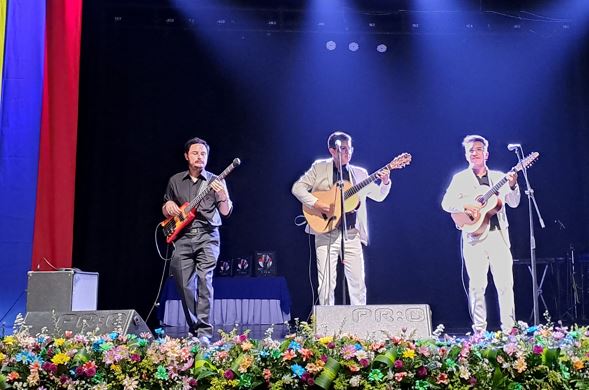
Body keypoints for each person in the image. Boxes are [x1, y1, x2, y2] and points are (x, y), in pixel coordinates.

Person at [292, 131, 391, 306]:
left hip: (351, 233)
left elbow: (378, 196)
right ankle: (326, 328)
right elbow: (297, 188)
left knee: (358, 282)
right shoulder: (319, 167)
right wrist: (318, 204)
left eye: (349, 148)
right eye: (343, 149)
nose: (347, 153)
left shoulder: (360, 173)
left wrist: (385, 182)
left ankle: (359, 325)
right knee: (326, 284)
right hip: (325, 232)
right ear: (332, 150)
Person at [441, 134, 520, 333]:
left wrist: (512, 185)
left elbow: (514, 202)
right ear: (466, 155)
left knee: (505, 284)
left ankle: (509, 329)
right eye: (470, 150)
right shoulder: (460, 179)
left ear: (487, 153)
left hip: (498, 236)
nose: (474, 153)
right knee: (477, 286)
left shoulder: (499, 176)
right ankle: (479, 331)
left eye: (478, 149)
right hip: (474, 237)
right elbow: (446, 204)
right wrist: (467, 205)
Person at [162, 137, 233, 341]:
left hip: (208, 236)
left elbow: (225, 211)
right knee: (184, 285)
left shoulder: (215, 181)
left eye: (203, 153)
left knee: (205, 280)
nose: (200, 157)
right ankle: (194, 327)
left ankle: (203, 332)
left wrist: (223, 194)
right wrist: (168, 208)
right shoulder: (175, 180)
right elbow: (166, 206)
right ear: (186, 156)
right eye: (195, 153)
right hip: (183, 237)